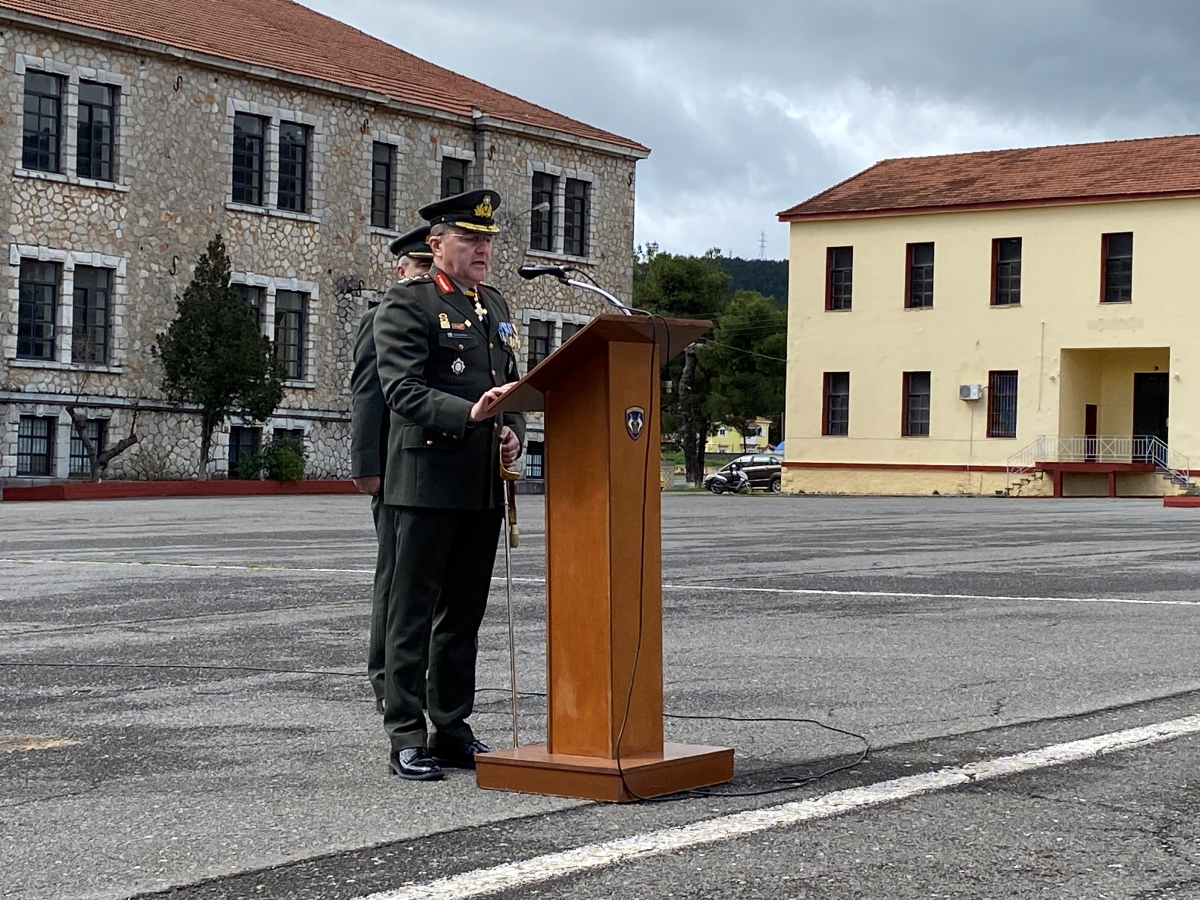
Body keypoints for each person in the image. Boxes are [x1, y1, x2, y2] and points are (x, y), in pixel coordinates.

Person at [372, 189, 525, 781]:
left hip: (481, 481)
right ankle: (406, 734)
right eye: (470, 239)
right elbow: (401, 392)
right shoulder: (407, 304)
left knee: (463, 614)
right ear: (436, 246)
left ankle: (452, 727)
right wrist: (470, 416)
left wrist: (511, 430)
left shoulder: (492, 304)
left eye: (487, 240)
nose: (482, 249)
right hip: (427, 479)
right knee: (411, 613)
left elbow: (506, 384)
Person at [350, 225, 433, 715]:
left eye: (431, 265)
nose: (426, 274)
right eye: (420, 266)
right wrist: (369, 465)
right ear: (400, 269)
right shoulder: (383, 315)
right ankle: (385, 678)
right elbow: (368, 392)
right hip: (397, 469)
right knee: (395, 578)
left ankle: (422, 683)